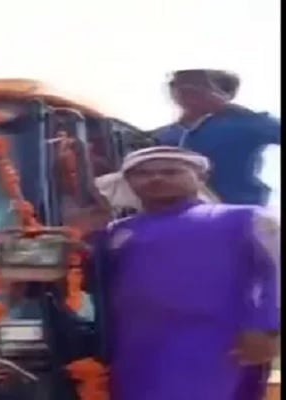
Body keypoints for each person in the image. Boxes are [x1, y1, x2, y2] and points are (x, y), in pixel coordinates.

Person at [103, 146, 279, 400]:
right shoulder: (116, 232)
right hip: (135, 347)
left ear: (201, 178)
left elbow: (272, 271)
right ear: (128, 181)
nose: (156, 179)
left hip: (216, 344)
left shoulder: (246, 218)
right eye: (142, 173)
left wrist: (266, 328)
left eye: (171, 172)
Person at [154, 69, 280, 205]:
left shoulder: (248, 123)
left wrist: (224, 107)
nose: (183, 91)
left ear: (225, 92)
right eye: (175, 85)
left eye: (196, 85)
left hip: (238, 210)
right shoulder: (164, 135)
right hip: (176, 212)